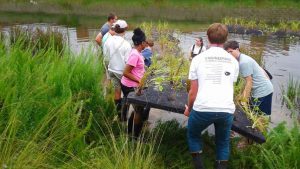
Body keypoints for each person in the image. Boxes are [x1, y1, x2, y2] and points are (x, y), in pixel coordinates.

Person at [184, 23, 239, 169]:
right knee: (222, 142)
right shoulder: (234, 61)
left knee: (193, 134)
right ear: (226, 39)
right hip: (226, 110)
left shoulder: (198, 59)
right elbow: (229, 87)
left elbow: (193, 92)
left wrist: (189, 109)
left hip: (203, 108)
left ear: (207, 38)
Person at [224, 40, 273, 115]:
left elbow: (249, 82)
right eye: (227, 53)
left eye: (231, 51)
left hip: (262, 91)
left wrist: (244, 100)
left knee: (260, 115)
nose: (229, 54)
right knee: (259, 114)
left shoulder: (244, 62)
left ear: (237, 49)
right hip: (265, 88)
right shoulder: (242, 59)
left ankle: (262, 126)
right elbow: (260, 69)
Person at [121, 28, 149, 137]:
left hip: (129, 84)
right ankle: (135, 136)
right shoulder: (135, 55)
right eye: (145, 42)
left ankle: (129, 130)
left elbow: (136, 68)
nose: (146, 44)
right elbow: (125, 72)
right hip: (130, 86)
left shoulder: (136, 52)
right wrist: (139, 80)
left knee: (136, 108)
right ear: (141, 43)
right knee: (138, 110)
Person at [103, 20, 131, 119]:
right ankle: (124, 116)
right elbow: (128, 62)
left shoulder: (108, 41)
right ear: (124, 30)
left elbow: (105, 58)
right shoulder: (126, 44)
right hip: (121, 72)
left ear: (115, 29)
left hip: (111, 70)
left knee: (117, 91)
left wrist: (108, 71)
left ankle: (119, 115)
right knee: (127, 93)